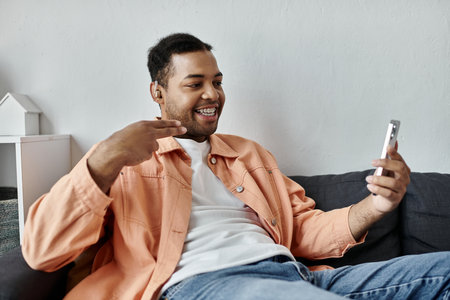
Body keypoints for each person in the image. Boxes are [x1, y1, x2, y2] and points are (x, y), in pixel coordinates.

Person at [23, 33, 449, 300]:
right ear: (157, 92)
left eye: (218, 81)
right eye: (195, 84)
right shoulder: (122, 158)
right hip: (206, 284)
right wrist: (104, 158)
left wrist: (377, 206)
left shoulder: (249, 155)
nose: (213, 94)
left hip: (297, 277)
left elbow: (304, 229)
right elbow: (42, 251)